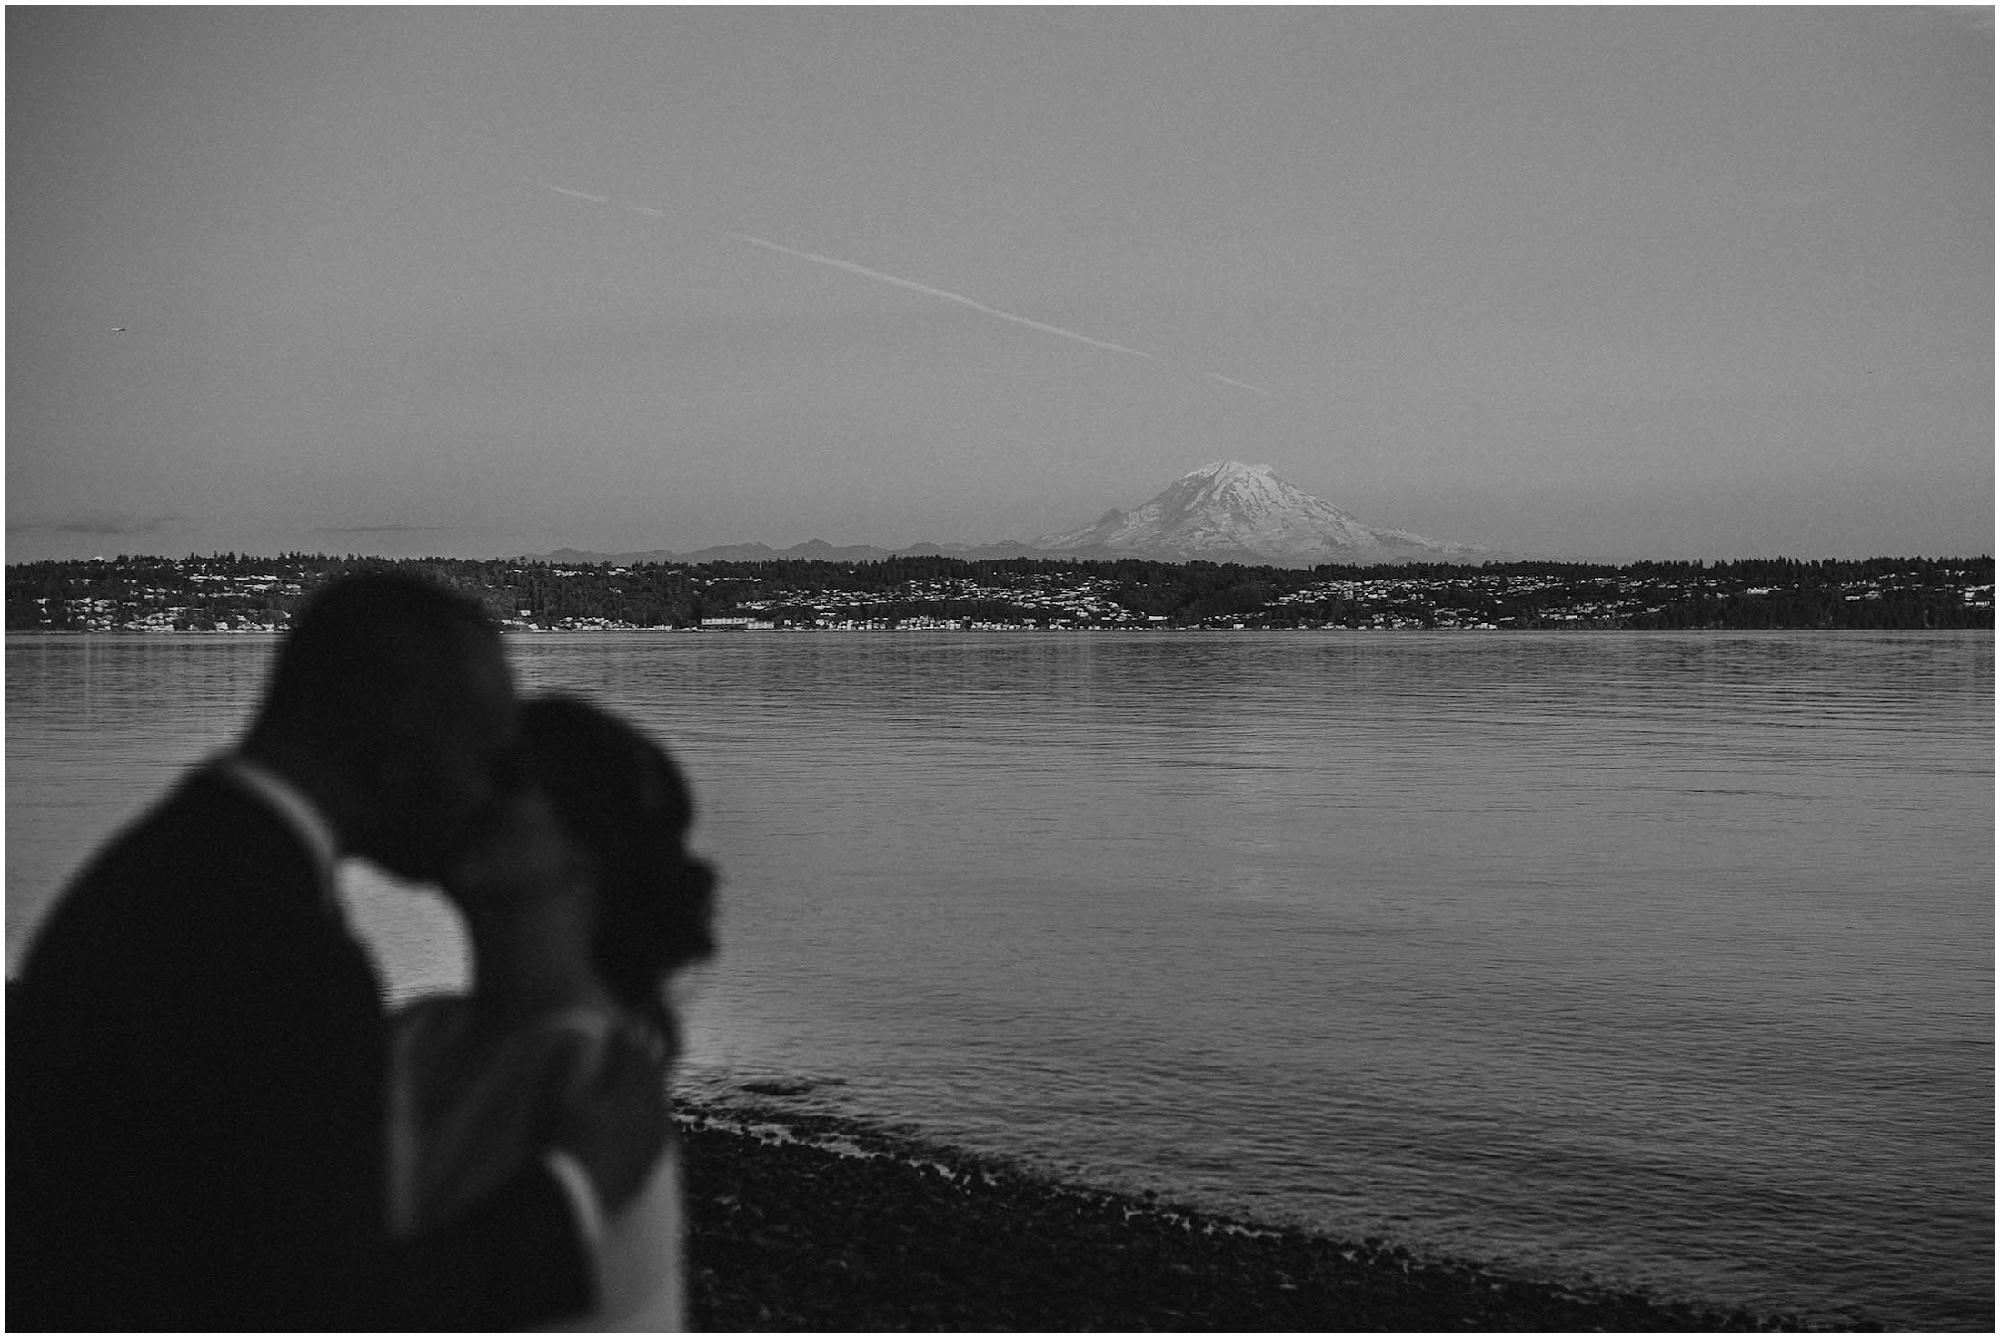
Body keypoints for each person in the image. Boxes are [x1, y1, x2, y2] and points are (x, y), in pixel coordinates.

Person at [8, 573, 669, 1330]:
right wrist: (575, 1188)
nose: (482, 798)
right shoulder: (283, 952)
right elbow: (320, 1311)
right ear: (400, 747)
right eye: (482, 759)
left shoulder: (165, 868)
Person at [389, 695, 718, 1331]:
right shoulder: (416, 1032)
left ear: (589, 843)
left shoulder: (588, 1072)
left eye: (507, 778)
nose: (469, 795)